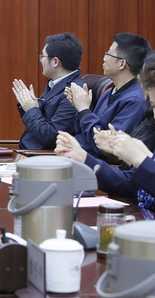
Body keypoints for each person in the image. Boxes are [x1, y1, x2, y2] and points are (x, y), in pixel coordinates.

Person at [56, 51, 155, 207]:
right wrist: (83, 158)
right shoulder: (109, 94)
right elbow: (130, 184)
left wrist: (140, 158)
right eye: (153, 106)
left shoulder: (134, 100)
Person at [64, 32, 150, 160]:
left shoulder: (136, 100)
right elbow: (82, 133)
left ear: (122, 64)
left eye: (108, 54)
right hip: (80, 156)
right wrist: (79, 108)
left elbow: (105, 147)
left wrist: (84, 109)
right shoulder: (108, 93)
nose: (104, 59)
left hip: (98, 165)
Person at [13, 32, 85, 149]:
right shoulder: (55, 84)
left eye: (43, 56)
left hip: (41, 157)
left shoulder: (72, 93)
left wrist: (31, 109)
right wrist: (27, 105)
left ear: (55, 61)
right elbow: (39, 123)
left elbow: (52, 136)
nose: (41, 60)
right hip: (28, 152)